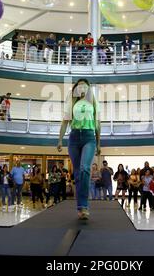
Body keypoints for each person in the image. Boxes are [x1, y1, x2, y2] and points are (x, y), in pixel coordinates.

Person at [58, 79, 101, 220]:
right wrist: (60, 140)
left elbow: (98, 123)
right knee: (77, 174)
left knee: (85, 169)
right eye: (79, 85)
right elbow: (65, 122)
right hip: (74, 138)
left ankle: (84, 206)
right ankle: (81, 208)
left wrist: (99, 143)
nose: (82, 87)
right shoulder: (72, 102)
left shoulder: (93, 103)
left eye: (85, 85)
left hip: (89, 137)